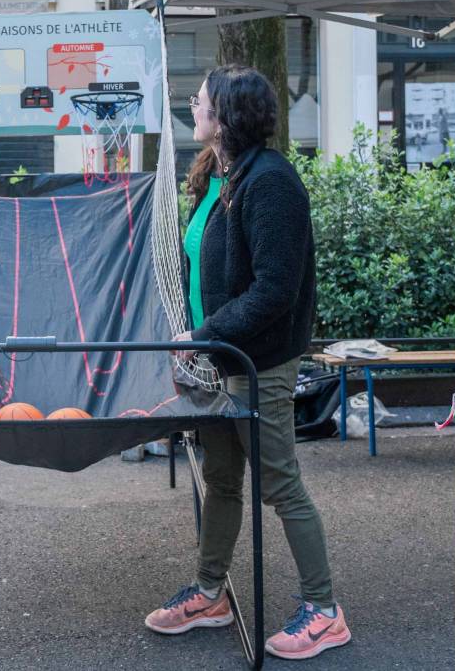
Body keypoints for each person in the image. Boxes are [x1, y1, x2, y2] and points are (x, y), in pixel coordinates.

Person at [143, 65, 352, 661]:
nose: (194, 104)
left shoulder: (270, 183)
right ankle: (211, 593)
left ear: (225, 116)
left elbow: (275, 289)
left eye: (201, 99)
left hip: (259, 362)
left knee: (281, 483)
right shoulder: (232, 175)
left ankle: (325, 609)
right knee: (223, 479)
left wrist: (204, 333)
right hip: (224, 357)